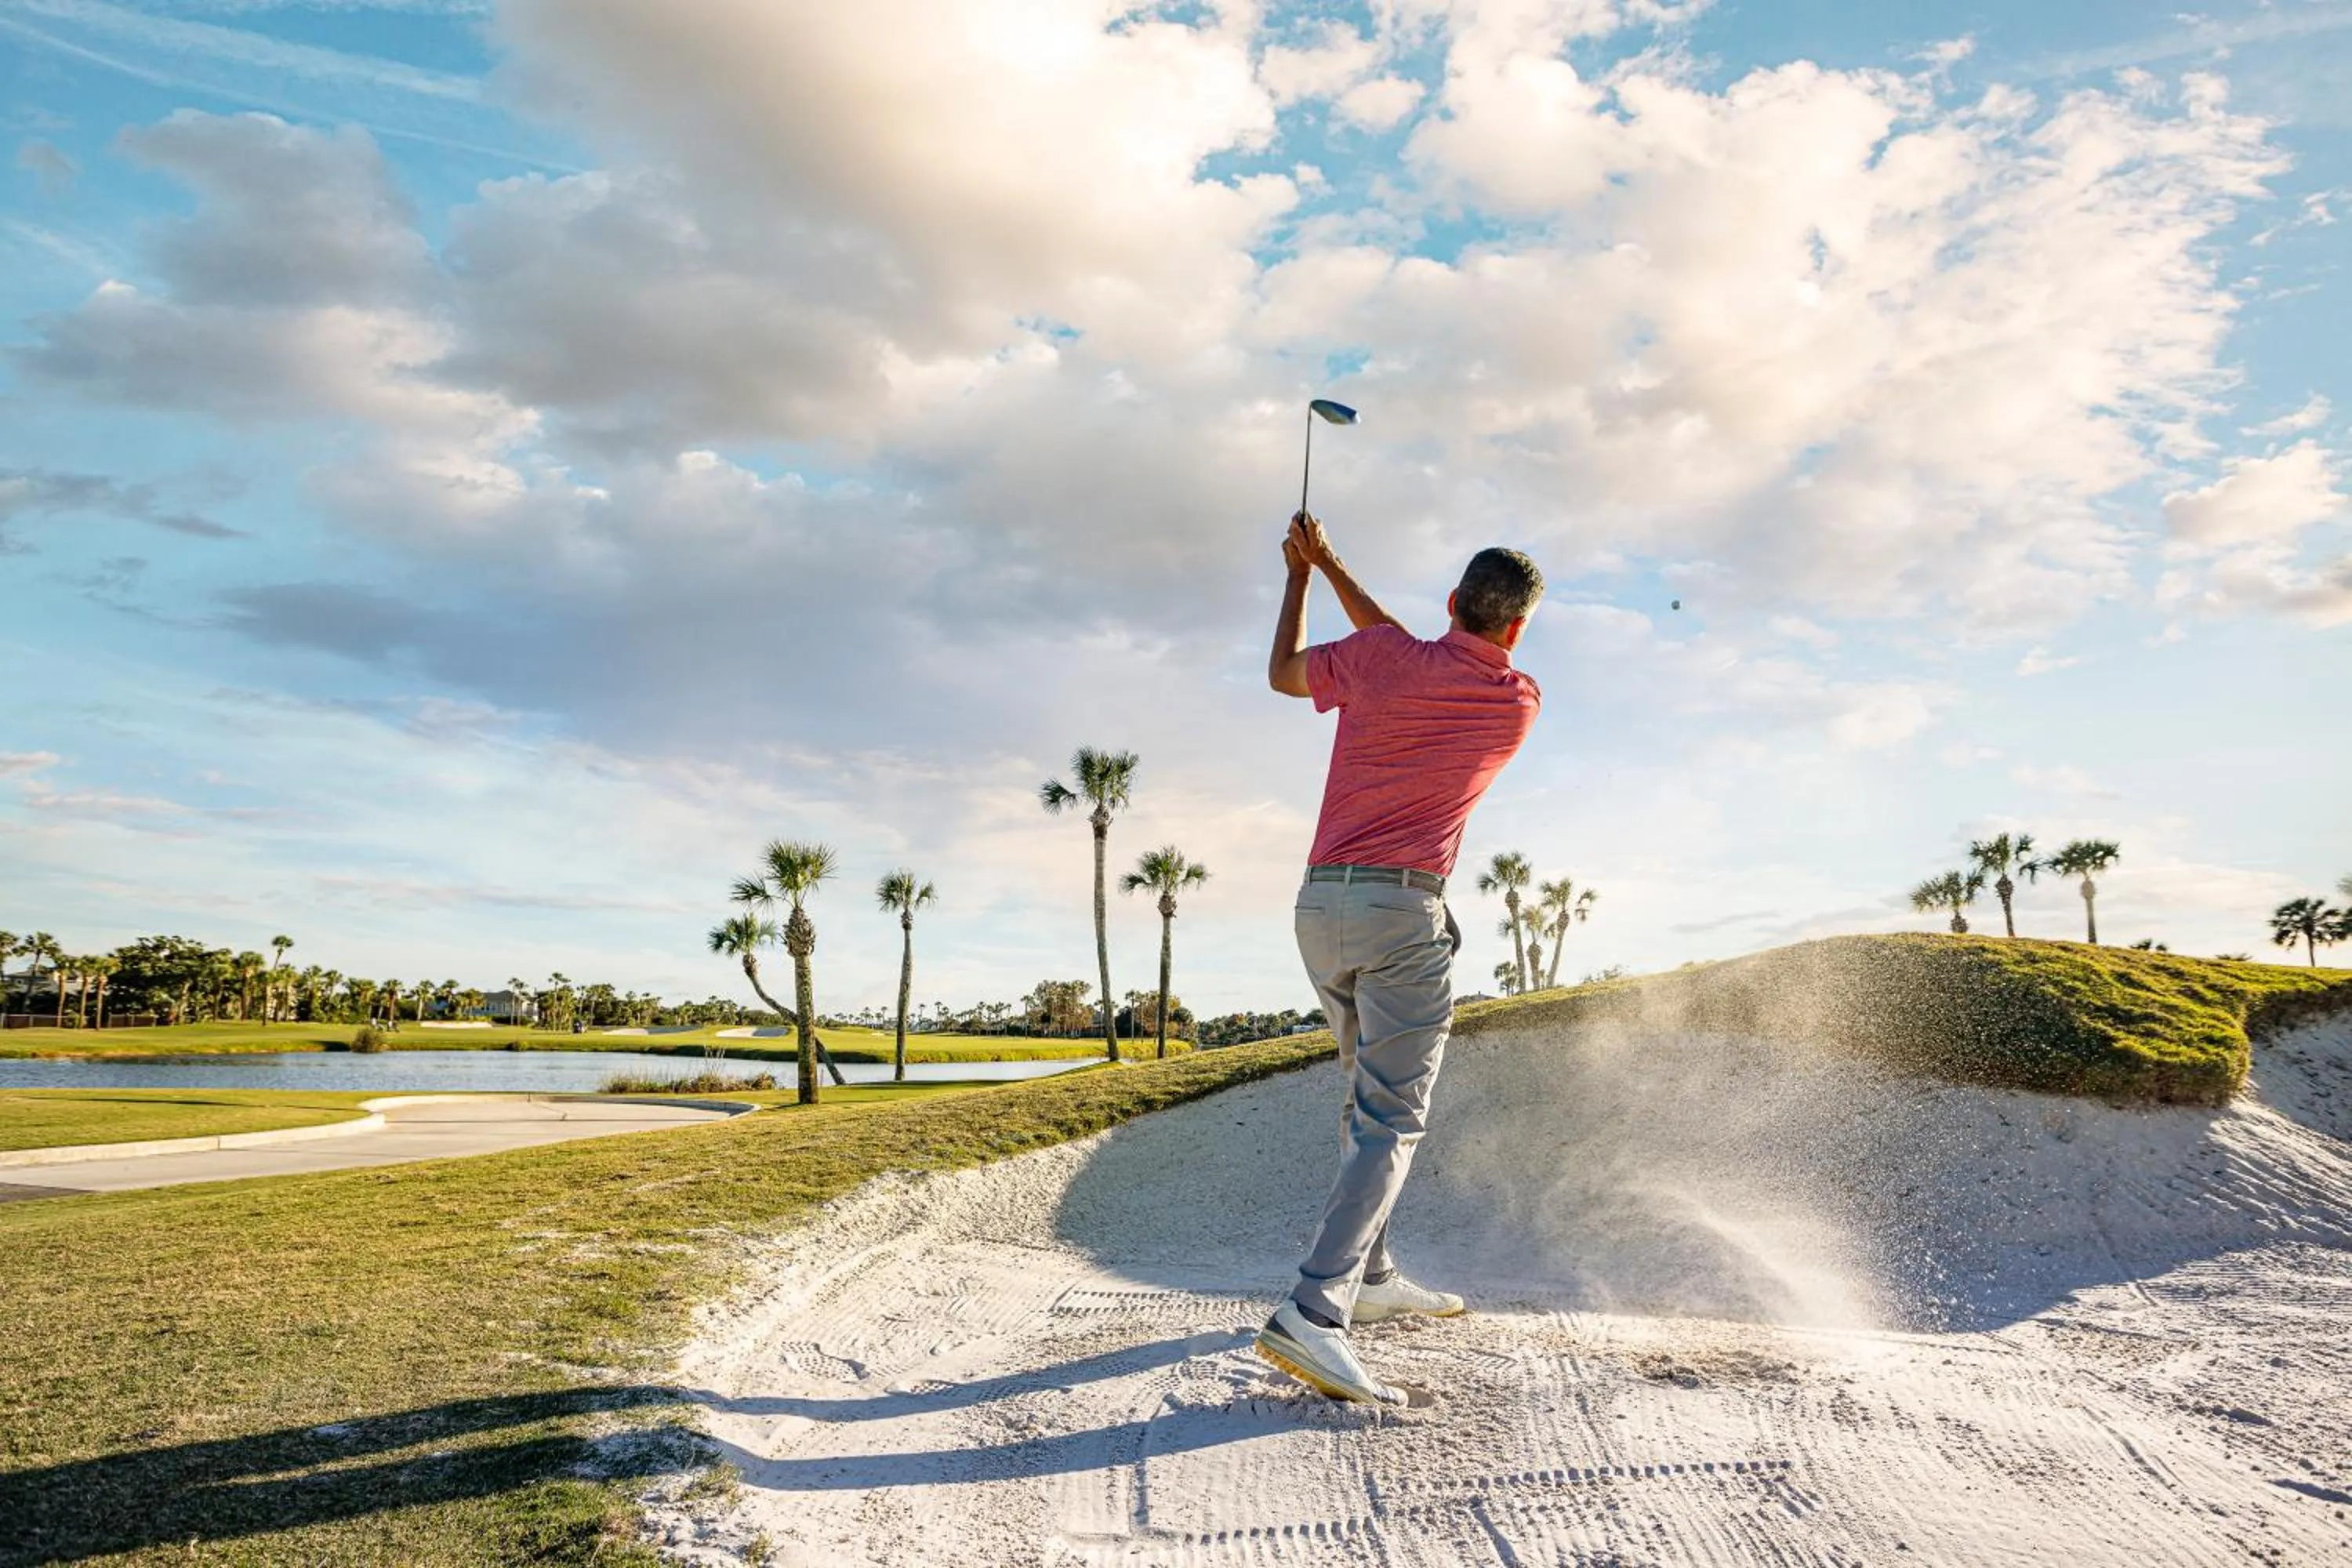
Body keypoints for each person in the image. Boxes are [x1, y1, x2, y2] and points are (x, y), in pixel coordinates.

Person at [1258, 511, 1544, 1405]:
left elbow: (1288, 672)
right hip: (1401, 913)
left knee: (1359, 1098)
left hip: (1319, 908)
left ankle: (1373, 1278)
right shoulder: (1516, 698)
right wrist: (1334, 564)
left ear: (1452, 601)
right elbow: (1405, 642)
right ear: (1516, 627)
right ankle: (1315, 1309)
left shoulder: (1380, 659)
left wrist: (1308, 572)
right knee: (1390, 1118)